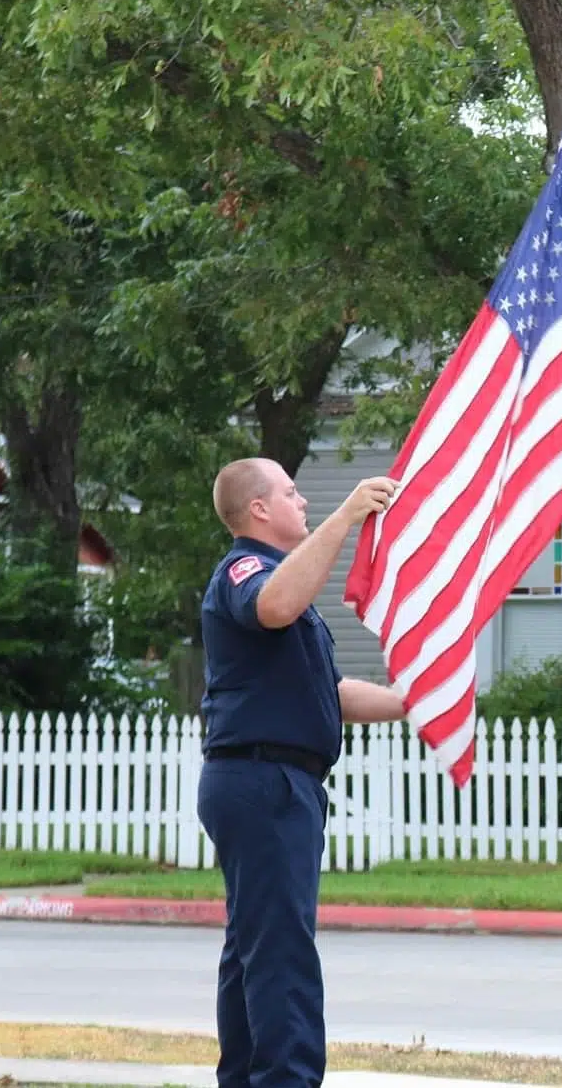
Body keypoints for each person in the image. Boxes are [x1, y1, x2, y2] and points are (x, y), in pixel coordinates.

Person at [198, 457, 410, 1088]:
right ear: (258, 509)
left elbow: (331, 692)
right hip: (263, 779)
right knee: (281, 951)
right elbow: (275, 605)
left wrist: (413, 702)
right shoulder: (246, 571)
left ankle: (247, 1078)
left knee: (254, 948)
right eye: (291, 493)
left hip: (273, 781)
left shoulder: (285, 586)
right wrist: (349, 514)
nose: (304, 502)